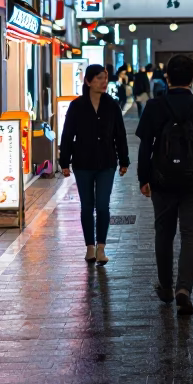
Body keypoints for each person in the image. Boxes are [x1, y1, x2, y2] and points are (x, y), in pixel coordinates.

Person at [137, 54, 193, 315]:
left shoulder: (154, 106)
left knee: (164, 233)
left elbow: (145, 146)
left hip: (161, 181)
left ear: (167, 77)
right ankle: (184, 288)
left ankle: (165, 286)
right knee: (190, 235)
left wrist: (144, 179)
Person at [59, 64, 129, 263]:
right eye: (98, 78)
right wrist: (64, 161)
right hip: (83, 161)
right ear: (88, 81)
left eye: (104, 78)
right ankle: (89, 246)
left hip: (107, 161)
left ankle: (101, 248)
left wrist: (124, 160)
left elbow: (120, 135)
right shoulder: (77, 106)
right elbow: (68, 135)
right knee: (87, 205)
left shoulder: (112, 105)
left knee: (103, 205)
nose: (103, 82)